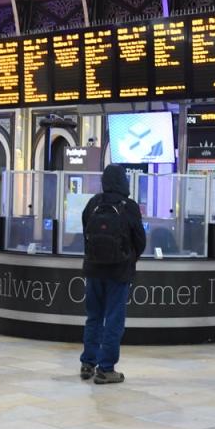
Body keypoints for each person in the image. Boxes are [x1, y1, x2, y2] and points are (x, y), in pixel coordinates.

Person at [80, 164, 146, 384]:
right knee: (114, 319)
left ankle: (88, 363)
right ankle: (106, 368)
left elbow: (85, 233)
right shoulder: (129, 207)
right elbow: (140, 240)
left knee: (94, 317)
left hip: (93, 269)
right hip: (119, 271)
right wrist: (130, 258)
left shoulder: (93, 204)